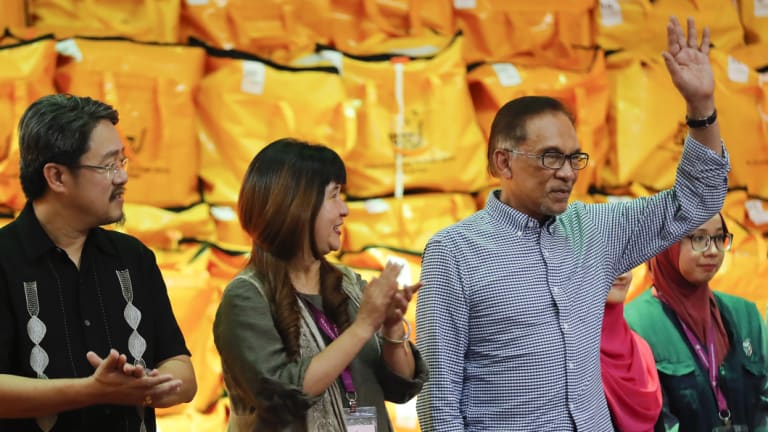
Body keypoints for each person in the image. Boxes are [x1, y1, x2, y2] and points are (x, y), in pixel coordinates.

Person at [415, 16, 729, 431]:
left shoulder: (597, 229)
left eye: (574, 158)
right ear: (502, 162)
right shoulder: (454, 252)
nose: (567, 172)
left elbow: (696, 201)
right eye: (550, 157)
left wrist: (701, 108)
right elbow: (438, 395)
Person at [0, 94, 197, 431]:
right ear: (57, 177)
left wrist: (150, 386)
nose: (122, 178)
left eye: (123, 162)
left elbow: (183, 371)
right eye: (108, 165)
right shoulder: (5, 260)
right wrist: (92, 391)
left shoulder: (133, 257)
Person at [213, 138, 428, 431]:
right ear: (296, 205)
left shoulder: (348, 284)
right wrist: (363, 325)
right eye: (334, 195)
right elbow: (283, 394)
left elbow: (400, 388)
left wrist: (390, 327)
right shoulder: (247, 297)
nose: (345, 210)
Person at [625, 214, 768, 431]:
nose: (712, 250)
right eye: (698, 239)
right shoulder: (636, 325)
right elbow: (652, 421)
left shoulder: (745, 314)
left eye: (719, 238)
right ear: (667, 243)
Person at [601, 271, 662, 431]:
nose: (624, 275)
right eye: (608, 261)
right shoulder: (567, 355)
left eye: (626, 262)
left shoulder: (640, 348)